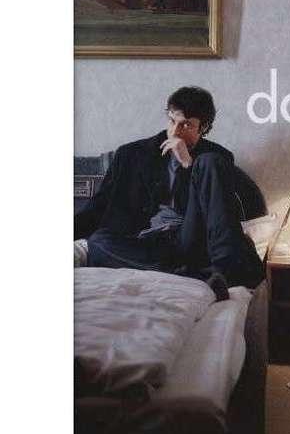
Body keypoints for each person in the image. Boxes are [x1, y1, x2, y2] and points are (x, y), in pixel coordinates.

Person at [75, 86, 264, 299]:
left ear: (203, 127)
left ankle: (227, 269)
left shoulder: (217, 158)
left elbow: (219, 213)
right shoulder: (132, 154)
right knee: (98, 241)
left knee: (209, 162)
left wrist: (188, 164)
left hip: (192, 237)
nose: (175, 132)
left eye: (186, 125)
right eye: (172, 121)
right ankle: (201, 276)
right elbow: (98, 208)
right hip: (148, 242)